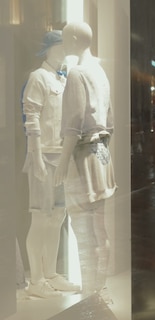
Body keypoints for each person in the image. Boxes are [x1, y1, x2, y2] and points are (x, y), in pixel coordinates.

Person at [54, 22, 116, 296]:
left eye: (66, 38)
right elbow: (110, 121)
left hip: (84, 158)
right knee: (99, 229)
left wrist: (63, 161)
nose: (64, 43)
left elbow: (73, 123)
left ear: (76, 39)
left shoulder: (78, 73)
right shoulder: (100, 73)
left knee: (84, 230)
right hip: (103, 158)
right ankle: (96, 289)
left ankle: (91, 293)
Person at [22, 30, 80, 298]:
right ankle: (36, 280)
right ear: (49, 49)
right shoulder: (38, 78)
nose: (64, 51)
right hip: (44, 156)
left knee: (58, 216)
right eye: (60, 47)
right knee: (41, 217)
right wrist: (36, 158)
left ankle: (51, 274)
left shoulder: (63, 78)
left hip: (61, 156)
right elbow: (31, 119)